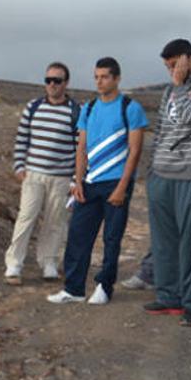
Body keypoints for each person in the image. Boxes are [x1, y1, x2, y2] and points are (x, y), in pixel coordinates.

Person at [47, 57, 148, 305]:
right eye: (96, 77)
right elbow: (81, 148)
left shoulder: (130, 108)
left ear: (116, 79)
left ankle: (104, 286)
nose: (99, 82)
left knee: (111, 238)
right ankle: (74, 289)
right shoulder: (89, 109)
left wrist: (123, 187)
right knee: (78, 235)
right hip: (90, 183)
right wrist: (78, 182)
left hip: (116, 183)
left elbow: (135, 151)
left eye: (104, 77)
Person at [141, 39, 191, 327]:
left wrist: (178, 86)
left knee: (190, 241)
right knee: (163, 242)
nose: (171, 71)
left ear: (189, 59)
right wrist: (152, 169)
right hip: (162, 175)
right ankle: (168, 296)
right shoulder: (169, 90)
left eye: (175, 64)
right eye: (167, 66)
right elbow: (162, 128)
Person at [3, 62, 79, 285]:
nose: (52, 85)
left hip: (62, 177)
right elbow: (22, 138)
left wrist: (75, 179)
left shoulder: (75, 111)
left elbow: (80, 148)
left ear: (66, 83)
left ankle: (49, 262)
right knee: (26, 217)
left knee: (56, 221)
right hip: (34, 175)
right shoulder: (33, 107)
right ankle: (14, 264)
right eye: (48, 80)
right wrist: (19, 166)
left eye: (57, 80)